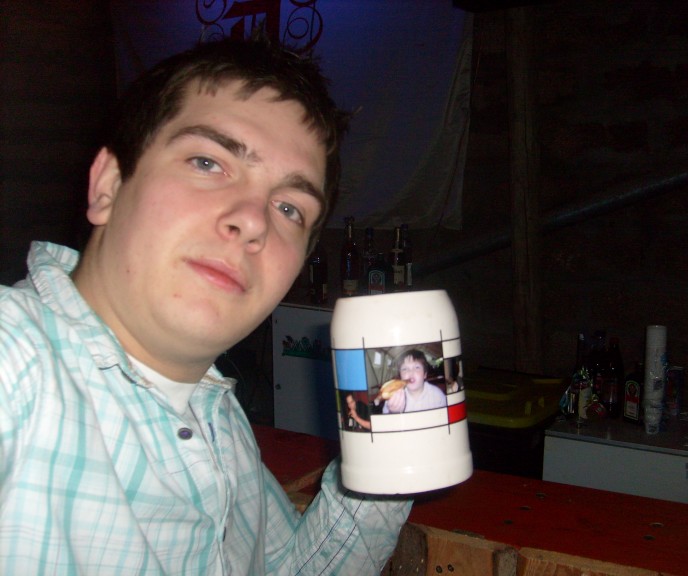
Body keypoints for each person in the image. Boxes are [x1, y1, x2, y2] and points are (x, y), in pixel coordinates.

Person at [0, 36, 411, 574]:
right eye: (208, 162)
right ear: (109, 186)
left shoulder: (215, 417)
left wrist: (389, 449)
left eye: (289, 207)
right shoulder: (16, 361)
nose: (254, 220)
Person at [383, 349, 447, 414]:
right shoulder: (393, 396)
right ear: (401, 376)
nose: (411, 372)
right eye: (405, 369)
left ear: (425, 374)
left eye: (417, 367)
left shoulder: (437, 396)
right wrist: (392, 412)